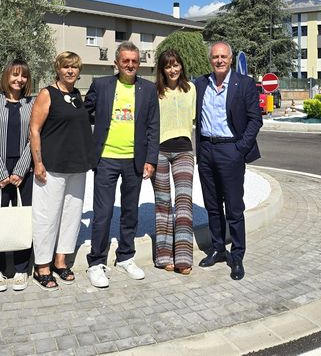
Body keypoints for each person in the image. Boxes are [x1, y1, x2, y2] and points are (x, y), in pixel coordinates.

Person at [84, 41, 160, 288]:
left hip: (134, 161)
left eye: (134, 61)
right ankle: (96, 262)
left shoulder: (148, 90)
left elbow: (153, 127)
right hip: (106, 158)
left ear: (139, 63)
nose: (130, 65)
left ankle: (126, 257)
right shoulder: (101, 85)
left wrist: (150, 159)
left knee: (130, 212)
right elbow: (83, 114)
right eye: (125, 61)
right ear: (116, 63)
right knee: (103, 213)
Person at [194, 41, 262, 281]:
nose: (219, 60)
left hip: (230, 150)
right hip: (206, 150)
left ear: (231, 59)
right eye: (215, 57)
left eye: (223, 56)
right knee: (212, 206)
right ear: (210, 60)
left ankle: (237, 255)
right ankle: (217, 249)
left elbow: (255, 120)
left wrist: (239, 149)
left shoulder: (244, 84)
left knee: (234, 207)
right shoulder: (200, 84)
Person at [29, 51, 94, 290]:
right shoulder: (48, 94)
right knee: (48, 216)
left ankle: (60, 260)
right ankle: (42, 266)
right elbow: (34, 129)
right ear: (58, 69)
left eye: (74, 67)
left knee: (71, 216)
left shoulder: (77, 95)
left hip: (77, 166)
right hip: (52, 167)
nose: (70, 71)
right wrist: (38, 162)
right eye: (66, 67)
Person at [0, 59, 34, 292]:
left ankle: (22, 268)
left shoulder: (31, 104)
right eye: (14, 75)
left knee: (23, 218)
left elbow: (35, 138)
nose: (18, 80)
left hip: (24, 171)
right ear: (6, 77)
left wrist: (20, 170)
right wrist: (1, 173)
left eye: (23, 76)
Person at [152, 49, 196, 274]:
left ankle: (183, 258)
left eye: (176, 64)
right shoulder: (155, 92)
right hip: (159, 151)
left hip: (184, 151)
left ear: (181, 66)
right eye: (168, 66)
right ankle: (163, 256)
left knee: (184, 202)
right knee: (162, 204)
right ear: (162, 69)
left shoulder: (191, 89)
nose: (173, 69)